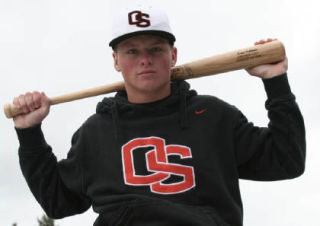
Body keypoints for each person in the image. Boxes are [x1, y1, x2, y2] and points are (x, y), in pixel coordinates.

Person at [12, 6, 305, 226]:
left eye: (156, 49)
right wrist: (29, 133)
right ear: (116, 60)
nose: (145, 59)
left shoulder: (214, 117)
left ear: (173, 55)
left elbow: (286, 160)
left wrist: (275, 81)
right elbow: (57, 201)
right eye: (131, 51)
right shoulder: (95, 132)